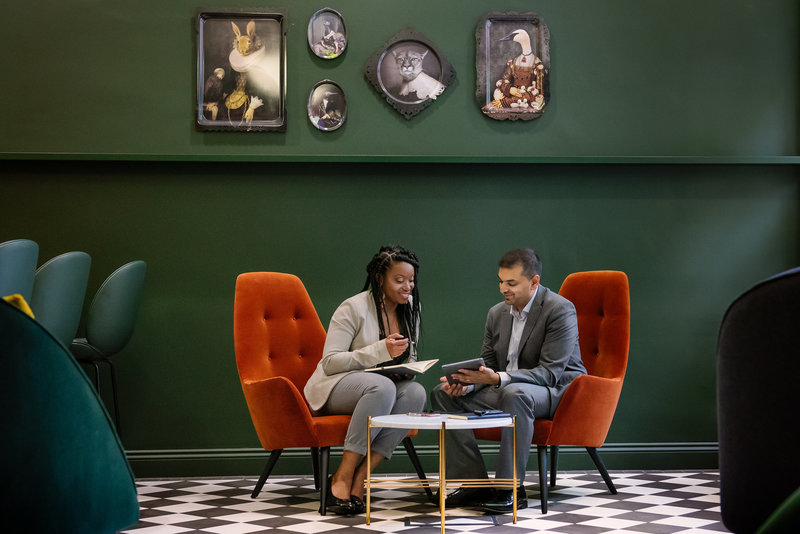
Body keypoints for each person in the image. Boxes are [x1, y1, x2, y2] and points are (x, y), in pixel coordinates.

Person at [430, 248, 586, 513]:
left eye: (511, 283)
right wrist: (469, 382)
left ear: (534, 281)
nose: (503, 288)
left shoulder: (559, 309)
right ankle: (473, 485)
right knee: (443, 392)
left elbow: (549, 373)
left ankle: (509, 488)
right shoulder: (496, 314)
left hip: (553, 392)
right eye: (501, 281)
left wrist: (497, 378)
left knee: (516, 394)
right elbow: (488, 364)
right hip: (507, 388)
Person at [304, 245, 427, 515]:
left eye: (411, 280)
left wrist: (406, 369)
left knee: (416, 393)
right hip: (334, 387)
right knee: (381, 386)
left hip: (380, 389)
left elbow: (407, 357)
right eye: (399, 280)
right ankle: (342, 476)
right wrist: (379, 351)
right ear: (380, 279)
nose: (408, 286)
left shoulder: (411, 310)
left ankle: (362, 477)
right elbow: (330, 362)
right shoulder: (353, 307)